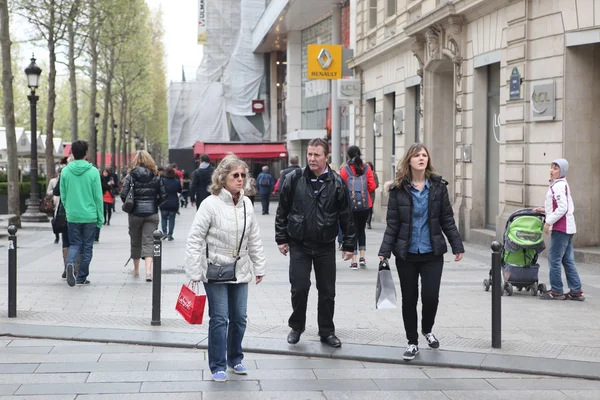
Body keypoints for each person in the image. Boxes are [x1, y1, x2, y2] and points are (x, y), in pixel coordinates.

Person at [378, 143, 464, 361]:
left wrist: (457, 245)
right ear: (409, 160)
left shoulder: (438, 187)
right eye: (417, 155)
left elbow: (447, 218)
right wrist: (384, 251)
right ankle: (412, 342)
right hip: (406, 253)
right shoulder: (398, 190)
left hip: (432, 252)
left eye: (424, 155)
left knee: (431, 297)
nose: (421, 158)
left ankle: (427, 329)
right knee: (410, 298)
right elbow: (393, 224)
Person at [184, 154, 266, 382]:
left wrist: (259, 267)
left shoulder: (247, 204)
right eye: (235, 175)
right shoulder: (210, 204)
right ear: (223, 178)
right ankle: (218, 365)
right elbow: (194, 239)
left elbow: (254, 238)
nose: (240, 179)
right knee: (220, 319)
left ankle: (235, 358)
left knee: (240, 318)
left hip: (240, 269)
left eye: (243, 175)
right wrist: (194, 271)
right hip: (216, 270)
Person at [275, 137, 355, 348]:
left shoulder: (337, 182)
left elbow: (346, 215)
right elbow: (282, 210)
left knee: (327, 290)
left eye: (316, 154)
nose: (311, 158)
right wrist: (281, 238)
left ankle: (327, 331)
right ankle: (297, 327)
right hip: (299, 243)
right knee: (299, 288)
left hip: (325, 244)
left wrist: (348, 244)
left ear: (326, 157)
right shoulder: (294, 178)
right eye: (309, 154)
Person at [535, 159, 584, 301]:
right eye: (551, 167)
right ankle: (576, 290)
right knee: (567, 260)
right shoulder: (561, 184)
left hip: (560, 228)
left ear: (561, 171)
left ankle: (556, 290)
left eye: (556, 168)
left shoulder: (558, 186)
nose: (552, 170)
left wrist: (548, 223)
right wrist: (544, 210)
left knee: (554, 259)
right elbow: (560, 206)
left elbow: (563, 208)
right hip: (567, 227)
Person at [59, 140, 104, 287]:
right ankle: (81, 277)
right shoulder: (93, 172)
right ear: (86, 153)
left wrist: (68, 208)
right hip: (90, 215)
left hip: (73, 215)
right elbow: (98, 197)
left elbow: (63, 195)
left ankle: (70, 263)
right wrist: (100, 217)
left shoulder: (65, 171)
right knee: (87, 247)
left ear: (72, 153)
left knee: (75, 244)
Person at [120, 150, 167, 281]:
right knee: (149, 241)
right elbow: (164, 195)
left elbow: (123, 194)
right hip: (151, 213)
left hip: (135, 213)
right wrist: (154, 204)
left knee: (135, 241)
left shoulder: (131, 176)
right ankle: (148, 272)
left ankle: (136, 270)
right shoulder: (156, 175)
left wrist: (132, 204)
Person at [340, 146, 377, 269]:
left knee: (353, 230)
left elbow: (341, 188)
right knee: (361, 230)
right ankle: (362, 257)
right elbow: (372, 186)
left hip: (351, 205)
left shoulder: (345, 170)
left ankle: (353, 261)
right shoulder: (366, 168)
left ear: (348, 156)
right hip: (366, 205)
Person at [160, 166, 182, 241]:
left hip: (164, 202)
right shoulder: (176, 181)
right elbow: (179, 190)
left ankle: (164, 232)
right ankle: (170, 234)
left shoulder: (162, 181)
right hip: (173, 203)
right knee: (172, 219)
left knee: (164, 218)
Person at [46, 172, 60, 243]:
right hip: (55, 202)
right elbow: (48, 192)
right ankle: (56, 236)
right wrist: (55, 190)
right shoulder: (53, 181)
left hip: (64, 203)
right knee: (55, 220)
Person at [365, 161, 379, 229]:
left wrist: (371, 187)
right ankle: (365, 221)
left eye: (369, 166)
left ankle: (368, 222)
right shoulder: (363, 174)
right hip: (364, 193)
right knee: (365, 208)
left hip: (371, 194)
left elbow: (377, 184)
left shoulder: (374, 174)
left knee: (370, 209)